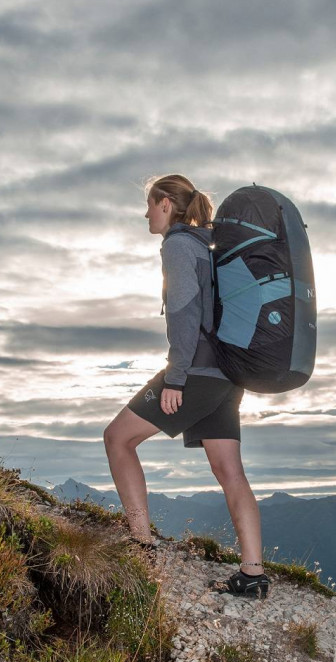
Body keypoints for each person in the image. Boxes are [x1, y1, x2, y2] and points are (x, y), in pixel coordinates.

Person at [102, 174, 270, 598]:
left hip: (194, 372)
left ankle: (140, 544)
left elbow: (183, 313)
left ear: (165, 203)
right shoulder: (209, 247)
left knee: (118, 438)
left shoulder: (178, 246)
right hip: (227, 374)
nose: (145, 215)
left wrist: (175, 378)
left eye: (149, 205)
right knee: (230, 472)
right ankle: (253, 575)